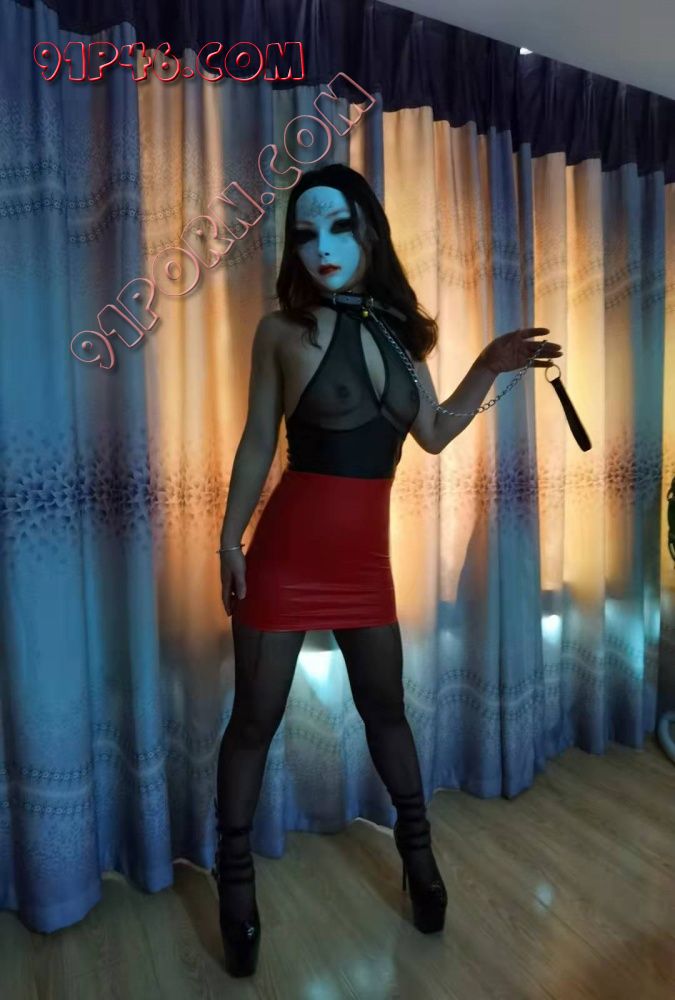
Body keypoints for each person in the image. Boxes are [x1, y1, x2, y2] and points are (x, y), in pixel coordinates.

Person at [212, 163, 561, 977]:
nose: (322, 247)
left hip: (363, 565)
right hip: (286, 558)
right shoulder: (281, 332)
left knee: (385, 713)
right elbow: (258, 441)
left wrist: (490, 362)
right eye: (305, 233)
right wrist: (229, 541)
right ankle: (234, 883)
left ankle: (419, 859)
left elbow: (432, 432)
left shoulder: (400, 338)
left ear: (370, 231)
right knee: (253, 722)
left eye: (339, 227)